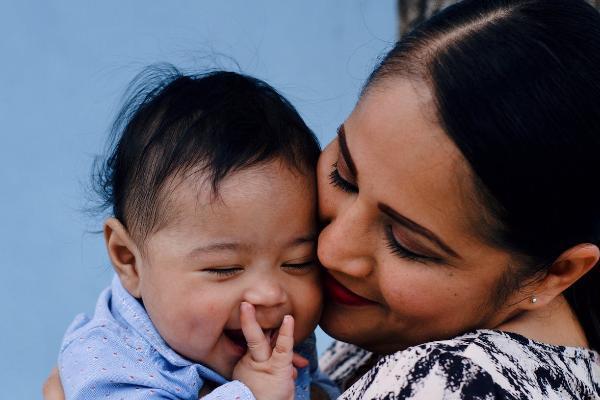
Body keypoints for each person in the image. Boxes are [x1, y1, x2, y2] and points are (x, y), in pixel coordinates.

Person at [45, 0, 600, 398]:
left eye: (407, 242)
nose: (329, 250)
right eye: (344, 174)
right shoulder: (383, 330)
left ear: (553, 273)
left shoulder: (456, 382)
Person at [55, 68, 338, 400]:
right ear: (129, 260)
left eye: (297, 263)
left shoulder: (277, 334)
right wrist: (249, 395)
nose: (270, 294)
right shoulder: (106, 360)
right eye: (224, 268)